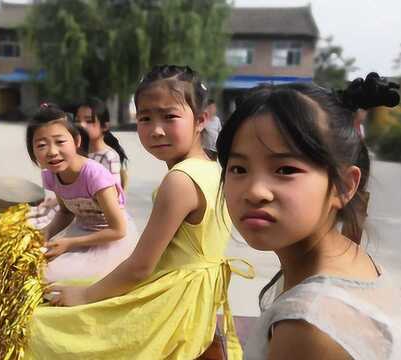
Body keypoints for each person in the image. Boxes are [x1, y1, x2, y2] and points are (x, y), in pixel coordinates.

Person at [24, 65, 250, 359]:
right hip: (195, 301)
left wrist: (84, 296)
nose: (156, 130)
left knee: (39, 324)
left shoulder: (179, 181)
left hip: (173, 306)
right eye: (145, 118)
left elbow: (140, 267)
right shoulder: (212, 167)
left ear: (201, 119)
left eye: (169, 116)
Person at [217, 74, 401, 359]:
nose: (255, 192)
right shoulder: (350, 259)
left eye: (285, 169)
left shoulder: (308, 327)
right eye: (239, 168)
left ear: (345, 185)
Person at [25, 104, 138, 283]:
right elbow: (65, 212)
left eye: (60, 142)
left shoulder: (94, 175)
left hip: (109, 240)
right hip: (80, 231)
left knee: (48, 276)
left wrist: (69, 244)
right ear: (32, 151)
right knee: (26, 266)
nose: (52, 152)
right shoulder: (51, 174)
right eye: (41, 145)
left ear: (76, 141)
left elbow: (118, 230)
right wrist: (44, 234)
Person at [76, 98, 129, 189]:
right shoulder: (77, 153)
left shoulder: (109, 157)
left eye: (88, 121)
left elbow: (115, 195)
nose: (81, 125)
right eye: (77, 120)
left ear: (105, 126)